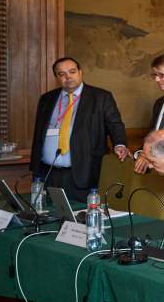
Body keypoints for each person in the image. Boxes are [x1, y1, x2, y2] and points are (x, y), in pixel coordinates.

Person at [29, 57, 128, 202]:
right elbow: (39, 133)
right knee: (47, 217)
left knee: (80, 219)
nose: (68, 77)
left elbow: (114, 124)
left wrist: (120, 144)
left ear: (80, 72)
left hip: (82, 173)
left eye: (72, 71)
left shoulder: (100, 97)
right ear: (56, 77)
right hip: (47, 173)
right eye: (62, 74)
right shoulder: (46, 99)